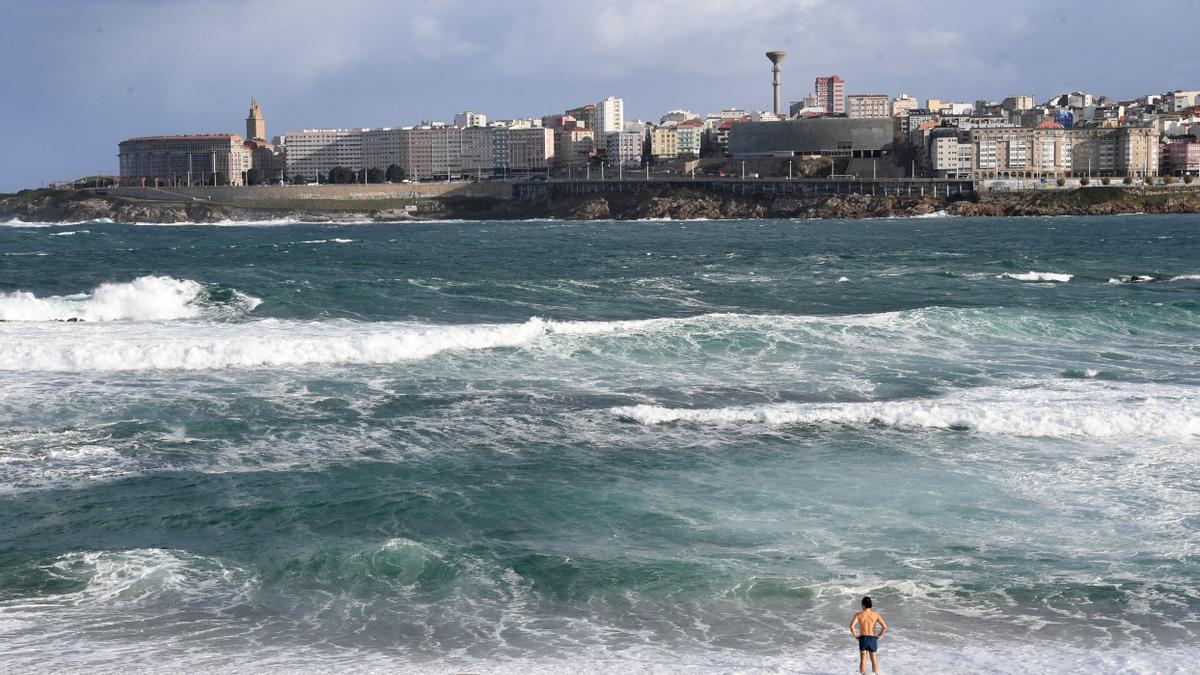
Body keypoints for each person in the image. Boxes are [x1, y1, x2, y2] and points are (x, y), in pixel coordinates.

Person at [850, 596, 887, 674]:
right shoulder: (876, 615)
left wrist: (856, 636)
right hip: (872, 639)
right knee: (874, 659)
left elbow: (851, 626)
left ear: (863, 604)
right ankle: (876, 674)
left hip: (863, 639)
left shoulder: (859, 615)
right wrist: (879, 636)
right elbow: (884, 627)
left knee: (863, 659)